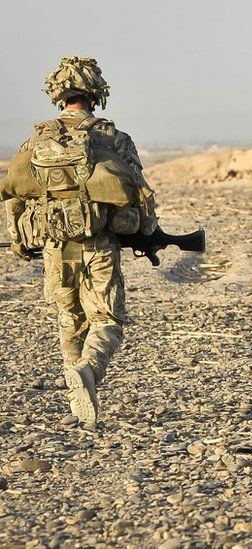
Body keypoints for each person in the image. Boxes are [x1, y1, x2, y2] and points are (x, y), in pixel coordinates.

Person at [1, 57, 158, 427]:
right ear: (95, 94)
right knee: (107, 319)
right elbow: (140, 194)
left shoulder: (38, 138)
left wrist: (19, 241)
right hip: (99, 244)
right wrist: (149, 234)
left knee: (69, 321)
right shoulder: (113, 138)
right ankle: (88, 370)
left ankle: (78, 405)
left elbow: (16, 196)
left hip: (54, 244)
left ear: (57, 94)